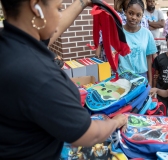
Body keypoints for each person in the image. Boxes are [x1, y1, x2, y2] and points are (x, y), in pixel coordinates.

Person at [0, 0, 127, 159]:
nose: (60, 16)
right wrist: (115, 122)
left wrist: (82, 2)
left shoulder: (10, 44)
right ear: (36, 6)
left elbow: (53, 29)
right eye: (59, 8)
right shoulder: (39, 75)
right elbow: (88, 134)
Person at [118, 0, 157, 86]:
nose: (134, 17)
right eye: (131, 13)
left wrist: (150, 81)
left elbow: (149, 58)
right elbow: (114, 57)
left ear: (142, 16)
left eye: (138, 15)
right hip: (123, 77)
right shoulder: (118, 33)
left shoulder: (147, 34)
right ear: (125, 12)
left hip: (141, 77)